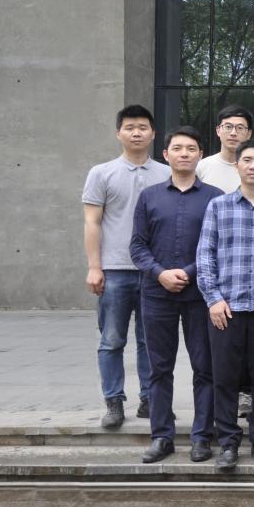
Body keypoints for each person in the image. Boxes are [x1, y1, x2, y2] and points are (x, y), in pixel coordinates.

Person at [130, 126, 223, 463]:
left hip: (200, 294)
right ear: (166, 154)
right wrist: (161, 273)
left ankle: (202, 437)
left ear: (200, 154)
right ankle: (161, 436)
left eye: (191, 148)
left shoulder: (214, 197)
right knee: (159, 368)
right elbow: (137, 246)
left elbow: (218, 246)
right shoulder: (149, 197)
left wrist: (189, 272)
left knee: (205, 368)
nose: (185, 153)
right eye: (178, 148)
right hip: (157, 294)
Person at [196, 139, 254, 471]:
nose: (253, 166)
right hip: (227, 307)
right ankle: (228, 442)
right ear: (237, 166)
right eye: (247, 160)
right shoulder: (218, 207)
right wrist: (213, 299)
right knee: (225, 376)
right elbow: (205, 256)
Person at [82, 104, 170, 428]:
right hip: (115, 269)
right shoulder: (101, 173)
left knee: (151, 341)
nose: (136, 133)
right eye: (130, 127)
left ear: (153, 133)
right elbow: (92, 222)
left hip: (154, 272)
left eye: (143, 127)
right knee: (111, 339)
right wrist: (95, 267)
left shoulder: (166, 173)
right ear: (118, 133)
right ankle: (114, 401)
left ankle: (150, 398)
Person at [195, 105, 252, 193]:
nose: (233, 133)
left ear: (248, 134)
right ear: (218, 130)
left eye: (240, 128)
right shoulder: (201, 167)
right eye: (228, 127)